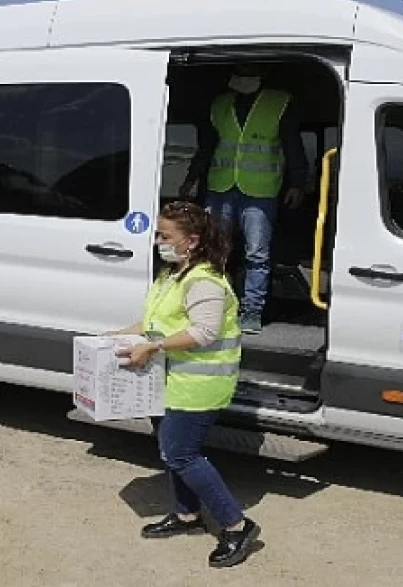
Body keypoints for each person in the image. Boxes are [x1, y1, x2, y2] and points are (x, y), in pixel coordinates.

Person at [109, 201, 261, 568]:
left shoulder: (204, 280)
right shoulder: (172, 274)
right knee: (169, 450)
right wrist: (112, 338)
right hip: (167, 379)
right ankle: (187, 514)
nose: (158, 240)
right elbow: (151, 322)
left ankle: (236, 525)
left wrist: (154, 346)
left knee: (181, 454)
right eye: (158, 234)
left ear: (191, 241)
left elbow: (204, 332)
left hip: (197, 386)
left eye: (165, 235)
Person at [179, 63, 308, 334]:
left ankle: (251, 312)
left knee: (257, 254)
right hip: (220, 187)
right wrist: (192, 178)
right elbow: (207, 147)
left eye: (248, 71)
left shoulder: (279, 103)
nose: (241, 75)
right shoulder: (220, 104)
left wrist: (298, 183)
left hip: (261, 192)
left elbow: (292, 145)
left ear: (262, 74)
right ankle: (211, 305)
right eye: (238, 71)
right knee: (213, 251)